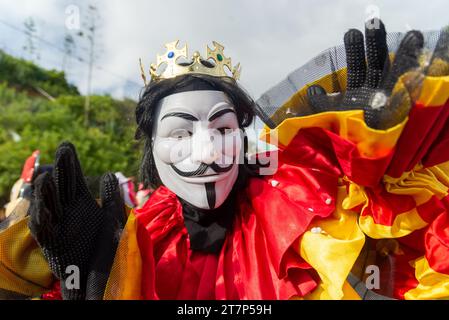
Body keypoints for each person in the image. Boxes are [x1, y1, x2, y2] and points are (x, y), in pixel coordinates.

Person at [1, 19, 449, 300]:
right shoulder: (133, 240)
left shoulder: (303, 202)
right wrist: (83, 279)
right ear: (151, 148)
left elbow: (411, 232)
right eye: (179, 132)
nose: (208, 152)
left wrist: (377, 146)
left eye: (222, 129)